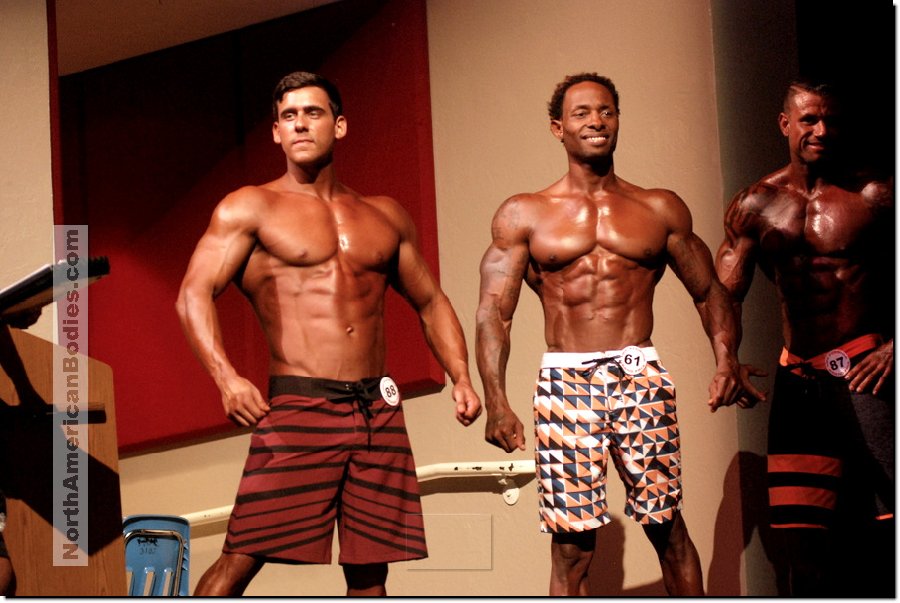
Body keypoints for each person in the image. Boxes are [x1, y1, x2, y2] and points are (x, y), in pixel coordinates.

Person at [176, 71, 482, 597]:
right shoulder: (250, 207)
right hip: (301, 406)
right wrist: (226, 379)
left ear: (339, 126)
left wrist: (462, 376)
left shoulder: (384, 214)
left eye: (313, 113)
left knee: (371, 572)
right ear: (276, 132)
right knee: (241, 558)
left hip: (378, 410)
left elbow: (431, 300)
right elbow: (192, 294)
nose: (300, 124)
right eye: (289, 116)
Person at [475, 72, 764, 596]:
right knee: (571, 547)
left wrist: (727, 359)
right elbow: (495, 311)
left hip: (640, 375)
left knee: (667, 528)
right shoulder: (524, 213)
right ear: (557, 127)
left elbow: (709, 292)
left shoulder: (659, 207)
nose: (596, 121)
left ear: (618, 120)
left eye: (606, 111)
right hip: (566, 385)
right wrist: (496, 401)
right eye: (582, 113)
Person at [714, 79, 894, 597]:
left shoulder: (875, 193)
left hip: (864, 374)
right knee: (800, 546)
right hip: (799, 383)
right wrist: (727, 360)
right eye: (810, 119)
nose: (821, 130)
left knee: (889, 531)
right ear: (785, 123)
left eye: (830, 120)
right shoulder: (756, 204)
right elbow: (725, 293)